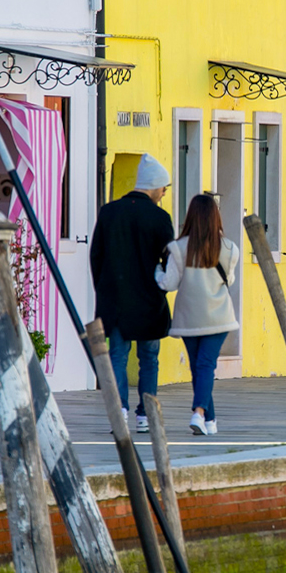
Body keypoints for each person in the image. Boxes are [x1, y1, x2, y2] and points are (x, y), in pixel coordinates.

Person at [89, 154, 173, 433]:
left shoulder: (109, 212)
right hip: (149, 301)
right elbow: (168, 261)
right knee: (149, 358)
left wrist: (102, 288)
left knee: (118, 356)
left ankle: (120, 410)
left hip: (115, 299)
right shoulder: (161, 218)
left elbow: (96, 256)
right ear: (154, 186)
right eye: (164, 188)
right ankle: (146, 414)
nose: (163, 194)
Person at [156, 193, 240, 435]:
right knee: (204, 366)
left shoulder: (178, 248)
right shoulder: (229, 249)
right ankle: (208, 420)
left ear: (190, 217)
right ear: (216, 217)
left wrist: (156, 272)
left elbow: (168, 283)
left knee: (199, 366)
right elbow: (230, 280)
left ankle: (199, 413)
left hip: (189, 318)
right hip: (219, 317)